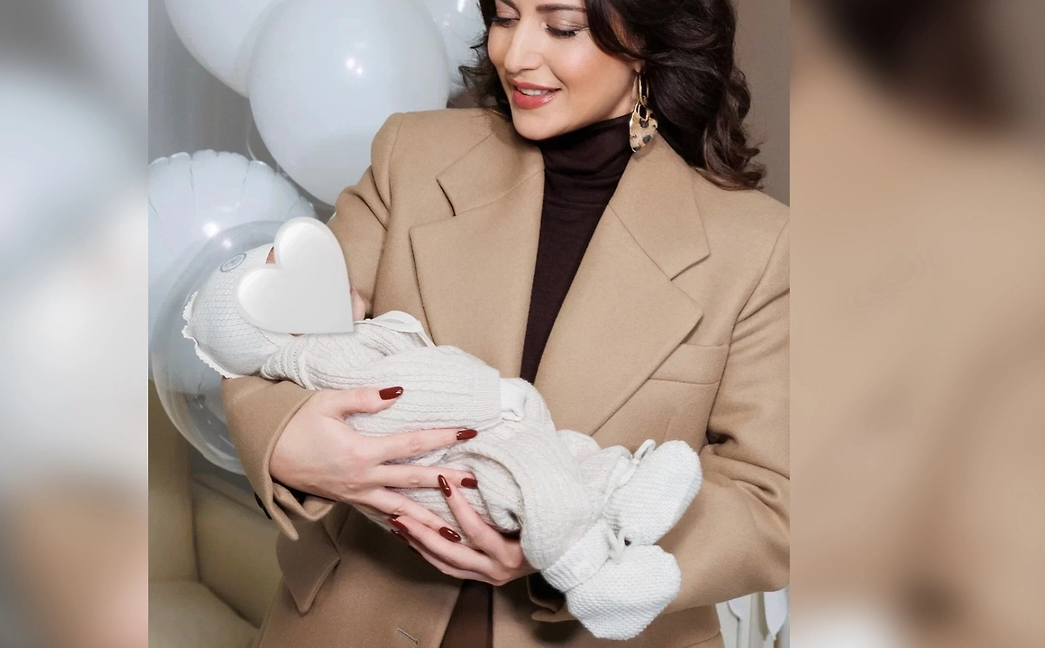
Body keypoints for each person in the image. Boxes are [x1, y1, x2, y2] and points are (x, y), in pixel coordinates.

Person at [223, 0, 789, 648]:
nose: (516, 54)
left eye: (562, 27)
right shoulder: (412, 157)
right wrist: (286, 443)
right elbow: (277, 337)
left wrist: (566, 558)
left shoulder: (755, 244)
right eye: (503, 16)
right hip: (355, 615)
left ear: (647, 38)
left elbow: (768, 499)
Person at [185, 239, 704, 639]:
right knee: (540, 481)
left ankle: (622, 492)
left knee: (565, 459)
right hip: (463, 464)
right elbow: (405, 389)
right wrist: (490, 394)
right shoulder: (321, 354)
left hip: (491, 445)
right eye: (291, 279)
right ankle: (591, 575)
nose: (328, 269)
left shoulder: (339, 335)